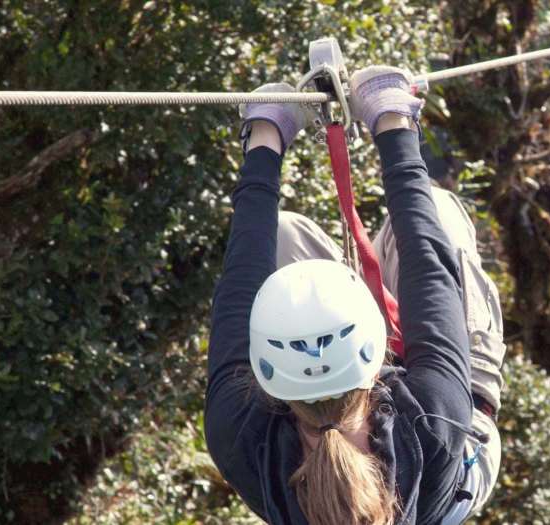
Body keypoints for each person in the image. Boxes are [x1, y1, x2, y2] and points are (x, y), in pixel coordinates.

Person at [204, 65, 507, 525]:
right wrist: (393, 121)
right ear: (380, 340)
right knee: (438, 210)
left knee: (282, 233)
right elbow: (430, 267)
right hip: (461, 439)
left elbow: (243, 279)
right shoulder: (435, 425)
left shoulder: (245, 435)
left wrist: (269, 130)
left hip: (405, 401)